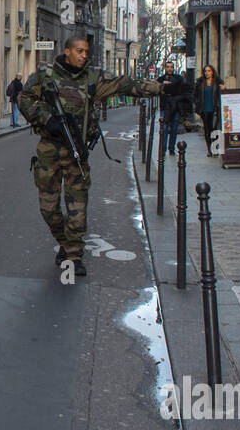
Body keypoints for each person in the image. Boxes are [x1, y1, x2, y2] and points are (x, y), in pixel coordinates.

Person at [17, 35, 162, 277]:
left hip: (76, 154)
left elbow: (123, 84)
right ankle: (65, 242)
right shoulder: (45, 76)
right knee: (48, 209)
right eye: (80, 51)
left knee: (77, 208)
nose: (84, 55)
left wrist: (160, 87)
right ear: (67, 51)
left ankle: (74, 255)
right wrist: (47, 118)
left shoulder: (92, 79)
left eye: (86, 51)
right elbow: (24, 98)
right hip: (49, 152)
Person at [192, 64, 223, 157]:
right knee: (207, 130)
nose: (207, 73)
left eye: (209, 71)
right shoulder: (200, 83)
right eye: (205, 71)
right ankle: (209, 149)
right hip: (204, 109)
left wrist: (223, 88)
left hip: (214, 109)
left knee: (215, 129)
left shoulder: (217, 82)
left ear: (212, 72)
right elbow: (195, 95)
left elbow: (222, 94)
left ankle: (215, 149)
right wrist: (197, 105)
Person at [157, 60, 186, 156]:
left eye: (171, 67)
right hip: (164, 107)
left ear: (173, 68)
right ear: (165, 68)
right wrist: (162, 85)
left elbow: (182, 91)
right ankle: (163, 149)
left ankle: (171, 149)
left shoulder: (178, 78)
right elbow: (156, 90)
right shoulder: (160, 79)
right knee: (164, 129)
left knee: (174, 129)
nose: (169, 68)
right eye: (168, 67)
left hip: (175, 107)